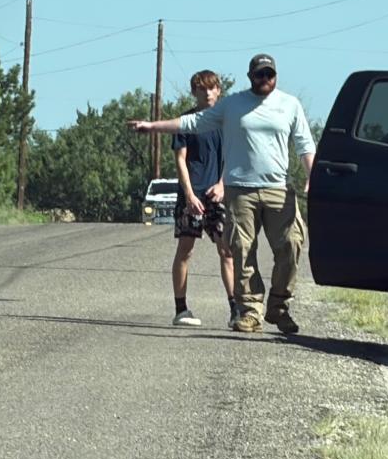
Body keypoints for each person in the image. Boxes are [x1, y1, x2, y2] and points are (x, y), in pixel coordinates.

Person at [129, 53, 316, 335]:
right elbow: (192, 123)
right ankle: (250, 311)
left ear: (275, 76)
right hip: (240, 190)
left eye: (269, 74)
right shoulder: (233, 105)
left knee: (292, 243)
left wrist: (312, 176)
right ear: (250, 76)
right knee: (241, 249)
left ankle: (278, 305)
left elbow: (304, 143)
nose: (265, 79)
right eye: (259, 74)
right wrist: (152, 126)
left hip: (278, 187)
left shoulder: (290, 105)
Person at [169, 70, 235, 328]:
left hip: (217, 194)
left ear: (219, 90)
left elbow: (233, 156)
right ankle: (181, 309)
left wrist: (222, 185)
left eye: (211, 88)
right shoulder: (186, 121)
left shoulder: (227, 121)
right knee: (186, 250)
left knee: (227, 249)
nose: (207, 93)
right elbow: (180, 159)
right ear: (194, 92)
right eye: (201, 89)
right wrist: (188, 195)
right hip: (191, 195)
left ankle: (235, 309)